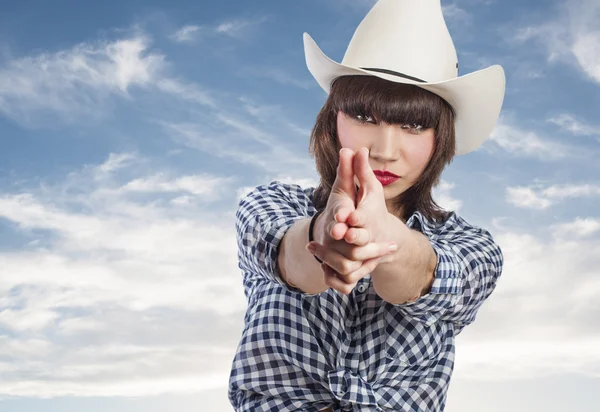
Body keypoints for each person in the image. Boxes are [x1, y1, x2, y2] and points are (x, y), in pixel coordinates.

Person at [228, 0, 505, 411]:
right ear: (332, 118)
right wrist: (327, 235)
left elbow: (427, 276)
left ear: (439, 138)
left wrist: (381, 237)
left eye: (413, 125)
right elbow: (287, 255)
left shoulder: (471, 245)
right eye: (364, 116)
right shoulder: (269, 203)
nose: (385, 151)